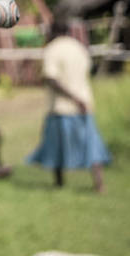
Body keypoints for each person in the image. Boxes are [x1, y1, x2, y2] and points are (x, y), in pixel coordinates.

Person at [28, 19, 110, 193]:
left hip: (62, 107)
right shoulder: (79, 47)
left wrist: (73, 98)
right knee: (91, 147)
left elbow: (51, 78)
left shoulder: (52, 49)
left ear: (52, 31)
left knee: (56, 148)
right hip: (85, 105)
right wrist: (80, 99)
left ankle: (59, 184)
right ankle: (99, 185)